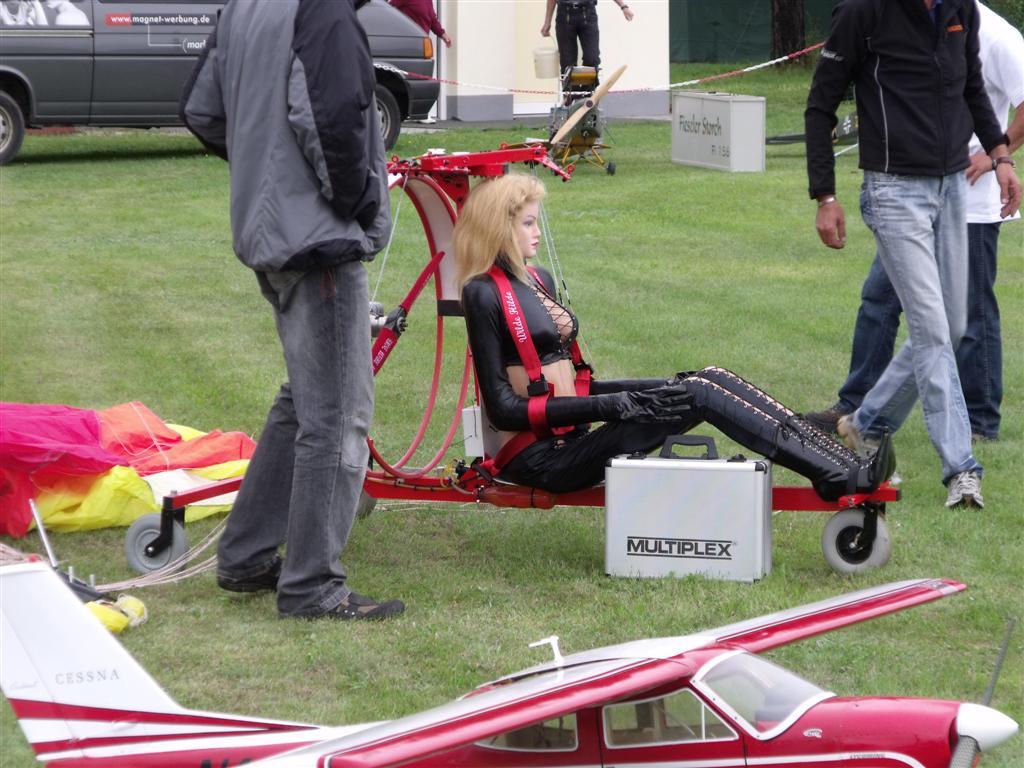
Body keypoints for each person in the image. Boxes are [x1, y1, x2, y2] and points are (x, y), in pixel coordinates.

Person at [454, 174, 894, 500]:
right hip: (541, 458)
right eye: (528, 223)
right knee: (699, 395)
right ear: (500, 228)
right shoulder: (482, 293)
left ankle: (841, 464)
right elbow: (504, 408)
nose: (536, 232)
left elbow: (574, 383)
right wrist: (613, 405)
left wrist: (635, 394)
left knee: (708, 379)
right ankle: (835, 474)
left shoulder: (537, 279)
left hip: (575, 433)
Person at [181, 0, 403, 620]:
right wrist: (359, 202)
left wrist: (266, 167)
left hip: (273, 232)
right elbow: (334, 127)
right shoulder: (322, 12)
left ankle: (247, 555)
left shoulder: (243, 8)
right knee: (337, 415)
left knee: (305, 399)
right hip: (317, 240)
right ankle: (312, 587)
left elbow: (202, 111)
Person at [805, 0, 1020, 509]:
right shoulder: (863, 12)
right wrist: (825, 196)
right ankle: (962, 470)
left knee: (954, 326)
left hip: (953, 188)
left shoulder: (961, 9)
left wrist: (1001, 155)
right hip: (892, 192)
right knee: (932, 330)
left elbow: (972, 86)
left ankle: (866, 423)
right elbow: (820, 105)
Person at [540, 0, 633, 73]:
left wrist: (623, 6)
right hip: (564, 15)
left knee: (592, 59)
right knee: (567, 62)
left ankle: (587, 90)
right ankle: (571, 91)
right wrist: (547, 21)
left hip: (588, 13)